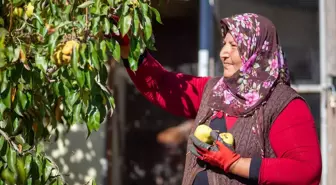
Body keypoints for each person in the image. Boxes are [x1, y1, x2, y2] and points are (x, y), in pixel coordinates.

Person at [119, 13, 322, 185]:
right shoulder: (215, 90)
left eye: (234, 46)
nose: (224, 53)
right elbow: (161, 85)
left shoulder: (282, 104)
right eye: (225, 44)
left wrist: (235, 163)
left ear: (256, 51)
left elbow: (306, 170)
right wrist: (130, 49)